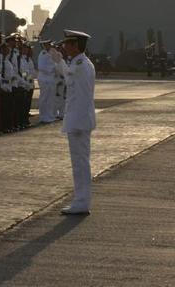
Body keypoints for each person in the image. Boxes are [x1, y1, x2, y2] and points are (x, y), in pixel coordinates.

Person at [59, 30, 96, 216]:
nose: (64, 47)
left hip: (79, 121)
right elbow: (69, 80)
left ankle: (81, 202)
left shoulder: (80, 64)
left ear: (75, 45)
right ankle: (81, 199)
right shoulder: (79, 63)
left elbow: (74, 87)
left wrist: (58, 61)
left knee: (80, 163)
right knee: (80, 162)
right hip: (78, 119)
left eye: (67, 43)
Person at [37, 39, 56, 123]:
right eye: (48, 44)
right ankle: (43, 116)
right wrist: (52, 69)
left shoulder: (50, 54)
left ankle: (49, 116)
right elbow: (41, 67)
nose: (49, 46)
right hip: (44, 79)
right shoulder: (43, 54)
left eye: (50, 44)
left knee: (50, 99)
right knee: (44, 98)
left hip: (50, 79)